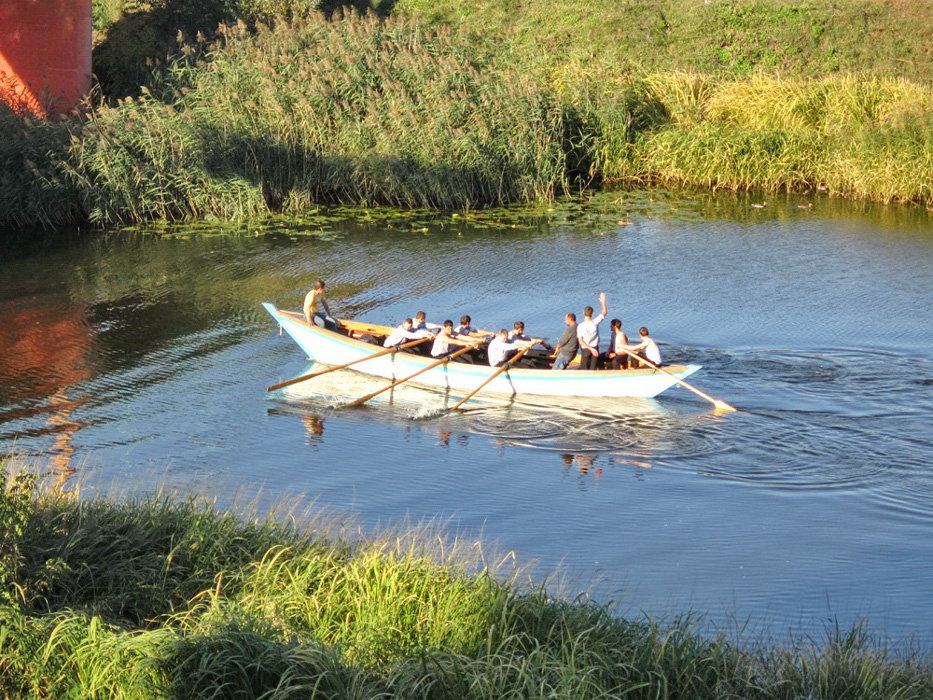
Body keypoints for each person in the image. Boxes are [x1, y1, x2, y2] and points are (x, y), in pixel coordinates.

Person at [576, 293, 607, 370]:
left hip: (586, 350)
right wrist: (603, 302)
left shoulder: (580, 326)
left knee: (584, 369)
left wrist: (590, 348)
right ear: (592, 314)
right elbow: (604, 312)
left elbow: (581, 342)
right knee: (593, 369)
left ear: (584, 313)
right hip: (595, 349)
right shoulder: (595, 323)